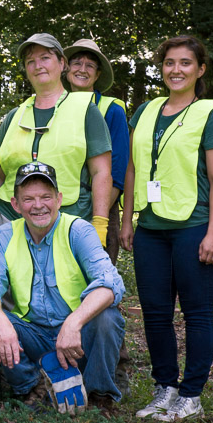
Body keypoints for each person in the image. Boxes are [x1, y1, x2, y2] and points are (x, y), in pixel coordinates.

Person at [120, 35, 213, 421]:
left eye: (185, 63)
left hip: (195, 226)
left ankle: (191, 395)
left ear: (199, 70)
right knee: (155, 312)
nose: (176, 69)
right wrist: (127, 218)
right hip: (151, 227)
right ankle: (165, 388)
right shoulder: (146, 111)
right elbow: (133, 167)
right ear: (161, 67)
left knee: (197, 313)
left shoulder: (210, 115)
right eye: (169, 62)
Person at [0, 162, 126, 409]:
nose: (38, 205)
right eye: (28, 199)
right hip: (33, 336)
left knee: (107, 317)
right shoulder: (3, 236)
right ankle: (33, 388)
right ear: (16, 205)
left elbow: (110, 284)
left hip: (77, 338)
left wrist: (74, 322)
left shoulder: (79, 230)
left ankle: (98, 396)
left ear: (59, 199)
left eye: (46, 197)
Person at [0, 33, 112, 250]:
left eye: (45, 58)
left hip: (68, 219)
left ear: (62, 63)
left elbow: (101, 172)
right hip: (8, 221)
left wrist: (100, 223)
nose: (38, 65)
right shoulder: (15, 116)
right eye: (31, 61)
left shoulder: (86, 111)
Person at [63, 39, 129, 262]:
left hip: (100, 208)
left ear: (98, 74)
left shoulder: (111, 109)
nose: (82, 69)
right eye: (76, 63)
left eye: (90, 65)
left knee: (97, 282)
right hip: (58, 206)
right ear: (65, 68)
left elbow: (118, 170)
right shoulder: (54, 104)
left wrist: (96, 217)